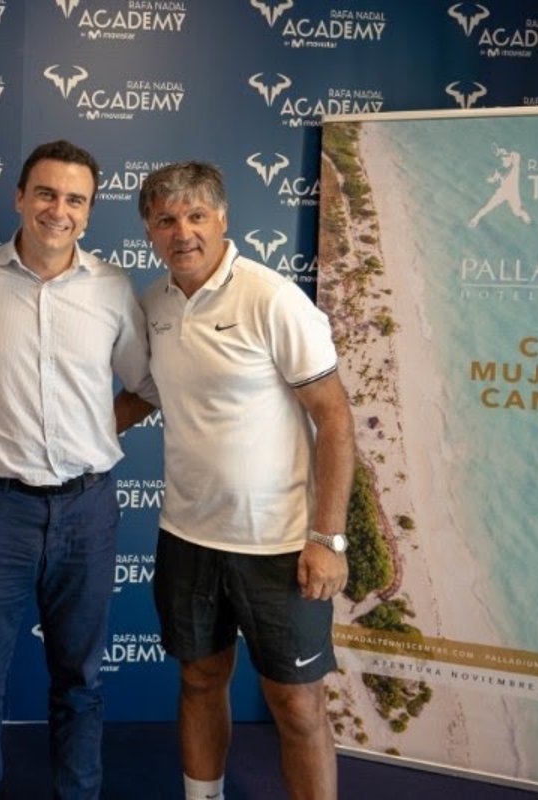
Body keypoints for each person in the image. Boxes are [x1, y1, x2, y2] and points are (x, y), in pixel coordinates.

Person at [0, 139, 158, 799]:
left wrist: (95, 430)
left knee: (81, 680)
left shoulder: (111, 288)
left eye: (75, 199)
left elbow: (146, 384)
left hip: (88, 509)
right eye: (46, 193)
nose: (58, 210)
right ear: (20, 197)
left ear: (90, 211)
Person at [128, 162, 355, 800]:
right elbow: (144, 395)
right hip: (188, 538)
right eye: (166, 220)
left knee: (298, 704)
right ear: (149, 231)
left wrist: (328, 538)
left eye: (196, 216)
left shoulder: (271, 297)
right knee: (200, 681)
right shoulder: (153, 304)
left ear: (222, 219)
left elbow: (335, 418)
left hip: (280, 545)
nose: (183, 232)